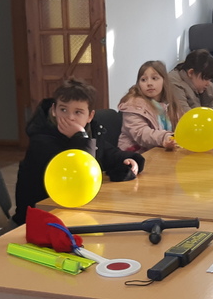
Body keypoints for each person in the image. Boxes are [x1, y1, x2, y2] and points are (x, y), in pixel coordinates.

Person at [13, 78, 144, 224]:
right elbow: (81, 175)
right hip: (39, 218)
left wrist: (128, 160)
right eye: (63, 110)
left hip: (73, 211)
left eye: (78, 112)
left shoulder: (92, 131)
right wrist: (80, 137)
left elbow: (108, 153)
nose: (70, 118)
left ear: (90, 116)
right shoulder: (42, 139)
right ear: (54, 110)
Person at [117, 59, 183, 152]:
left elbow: (182, 126)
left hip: (161, 152)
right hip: (136, 154)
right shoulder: (133, 105)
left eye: (154, 78)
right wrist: (165, 138)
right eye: (143, 80)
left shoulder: (170, 104)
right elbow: (141, 133)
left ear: (164, 81)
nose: (149, 83)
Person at [168, 50, 213, 125]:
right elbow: (186, 116)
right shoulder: (175, 85)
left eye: (210, 79)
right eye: (206, 79)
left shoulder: (200, 86)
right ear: (191, 73)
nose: (208, 83)